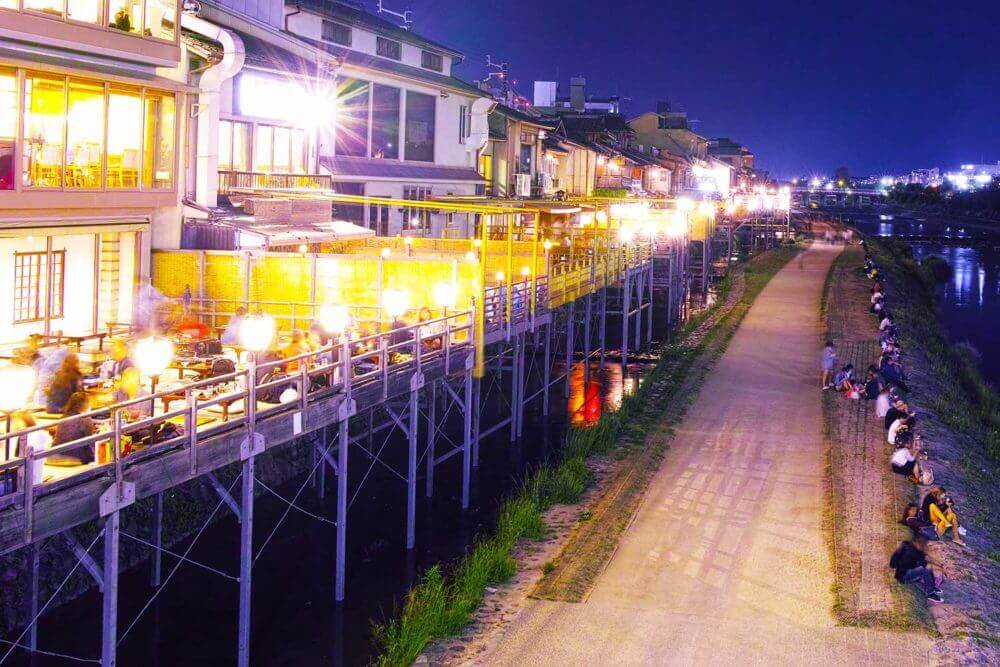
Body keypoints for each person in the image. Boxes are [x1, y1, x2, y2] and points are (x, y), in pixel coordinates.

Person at [889, 535, 943, 602]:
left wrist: (940, 564)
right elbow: (926, 563)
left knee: (926, 567)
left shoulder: (908, 544)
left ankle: (932, 586)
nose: (925, 546)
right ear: (918, 542)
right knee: (926, 568)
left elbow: (926, 556)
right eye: (924, 544)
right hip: (904, 577)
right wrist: (942, 569)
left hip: (902, 572)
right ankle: (930, 593)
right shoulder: (913, 553)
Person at [53, 392, 96, 464]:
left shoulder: (64, 417)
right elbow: (91, 443)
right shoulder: (85, 419)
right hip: (76, 456)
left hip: (57, 454)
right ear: (85, 404)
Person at [13, 411, 51, 487]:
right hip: (35, 478)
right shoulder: (39, 433)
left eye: (15, 421)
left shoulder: (26, 437)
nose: (14, 424)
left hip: (26, 480)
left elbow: (18, 458)